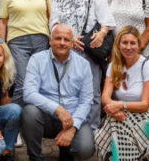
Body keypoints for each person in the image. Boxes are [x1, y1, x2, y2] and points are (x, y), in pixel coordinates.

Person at [51, 0, 115, 129]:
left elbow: (106, 20)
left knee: (92, 92)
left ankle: (92, 129)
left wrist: (101, 34)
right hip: (65, 50)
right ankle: (68, 126)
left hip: (88, 49)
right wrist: (68, 39)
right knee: (66, 91)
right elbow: (53, 22)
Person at [21, 24, 95, 161]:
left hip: (72, 118)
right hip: (46, 118)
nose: (62, 43)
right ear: (50, 41)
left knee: (85, 149)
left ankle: (66, 152)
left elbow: (86, 101)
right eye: (58, 38)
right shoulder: (37, 60)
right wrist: (57, 109)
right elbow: (29, 93)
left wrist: (72, 128)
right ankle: (35, 157)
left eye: (66, 40)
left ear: (73, 43)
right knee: (29, 112)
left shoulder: (83, 65)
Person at [95, 27, 149, 161]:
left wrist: (119, 105)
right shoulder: (114, 65)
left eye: (133, 43)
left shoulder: (147, 65)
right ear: (118, 45)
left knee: (117, 126)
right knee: (113, 124)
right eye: (125, 43)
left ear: (138, 45)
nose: (128, 47)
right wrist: (115, 111)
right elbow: (105, 97)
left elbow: (144, 105)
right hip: (126, 112)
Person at [0, 0, 52, 105]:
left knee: (40, 82)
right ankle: (17, 122)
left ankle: (35, 120)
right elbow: (2, 20)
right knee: (22, 82)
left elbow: (50, 15)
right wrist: (2, 44)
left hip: (41, 39)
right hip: (17, 42)